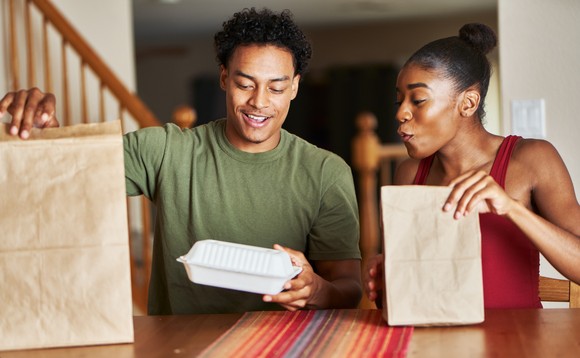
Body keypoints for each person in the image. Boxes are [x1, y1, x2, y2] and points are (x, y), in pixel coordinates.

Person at [0, 8, 362, 314]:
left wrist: (315, 290)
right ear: (224, 78)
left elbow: (348, 287)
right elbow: (64, 173)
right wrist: (42, 130)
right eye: (246, 83)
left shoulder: (325, 172)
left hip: (281, 343)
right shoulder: (167, 151)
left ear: (295, 87)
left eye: (277, 87)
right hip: (180, 344)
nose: (259, 102)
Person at [363, 23, 580, 309]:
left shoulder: (532, 158)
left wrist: (511, 208)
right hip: (432, 343)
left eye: (418, 100)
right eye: (399, 100)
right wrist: (386, 278)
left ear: (468, 103)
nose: (401, 112)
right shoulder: (409, 173)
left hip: (518, 344)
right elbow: (406, 290)